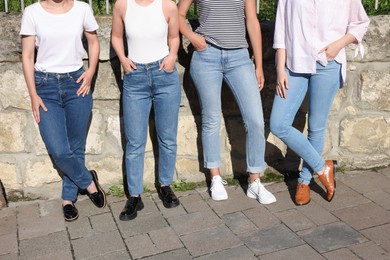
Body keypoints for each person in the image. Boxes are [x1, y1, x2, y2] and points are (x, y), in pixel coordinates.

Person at [270, 0, 369, 206]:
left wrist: (337, 45)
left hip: (328, 63)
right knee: (278, 124)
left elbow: (360, 23)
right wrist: (280, 69)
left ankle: (304, 182)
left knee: (316, 127)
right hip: (294, 64)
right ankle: (323, 167)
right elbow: (281, 29)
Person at [178, 0, 276, 204]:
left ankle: (255, 181)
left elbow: (252, 20)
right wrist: (192, 37)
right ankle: (215, 176)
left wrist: (258, 65)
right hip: (206, 56)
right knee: (211, 119)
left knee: (256, 120)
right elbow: (176, 15)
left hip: (239, 57)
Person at [20, 0, 106, 221]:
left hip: (76, 82)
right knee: (59, 149)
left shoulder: (82, 9)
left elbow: (93, 42)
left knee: (76, 146)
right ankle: (88, 182)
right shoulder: (32, 13)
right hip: (45, 86)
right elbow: (28, 56)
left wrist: (90, 71)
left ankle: (68, 199)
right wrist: (33, 95)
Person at [111, 0, 182, 220]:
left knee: (167, 137)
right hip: (135, 78)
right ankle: (134, 196)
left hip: (164, 75)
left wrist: (172, 56)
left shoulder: (168, 5)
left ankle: (165, 185)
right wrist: (123, 59)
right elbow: (115, 37)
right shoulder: (122, 5)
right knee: (135, 142)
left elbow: (174, 37)